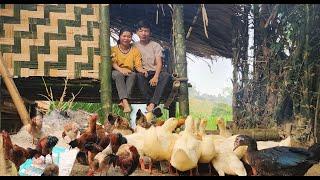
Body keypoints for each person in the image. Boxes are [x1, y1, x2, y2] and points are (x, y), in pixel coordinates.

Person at [135, 20, 171, 112]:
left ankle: (151, 104)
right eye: (141, 31)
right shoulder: (134, 46)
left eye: (146, 31)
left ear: (150, 33)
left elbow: (159, 63)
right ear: (137, 32)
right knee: (138, 76)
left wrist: (156, 76)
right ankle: (152, 104)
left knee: (166, 75)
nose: (143, 33)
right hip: (143, 73)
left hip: (155, 72)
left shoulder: (155, 45)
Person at [111, 27, 148, 113]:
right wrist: (121, 70)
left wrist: (142, 70)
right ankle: (125, 101)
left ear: (131, 38)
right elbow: (113, 63)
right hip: (116, 71)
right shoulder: (113, 49)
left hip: (129, 72)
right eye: (124, 36)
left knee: (133, 75)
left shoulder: (135, 50)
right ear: (119, 37)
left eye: (129, 37)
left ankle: (123, 101)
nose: (126, 39)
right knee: (118, 75)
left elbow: (138, 66)